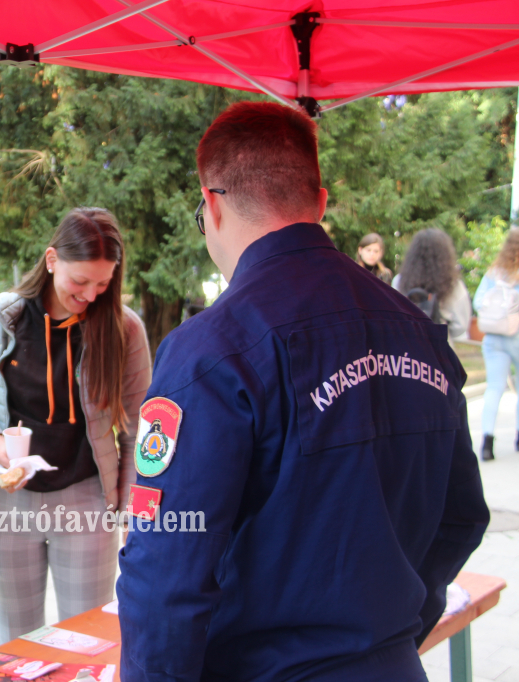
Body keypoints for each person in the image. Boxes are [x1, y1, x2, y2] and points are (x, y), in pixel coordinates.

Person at [117, 102, 488, 682]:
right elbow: (462, 517)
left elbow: (166, 568)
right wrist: (392, 633)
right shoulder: (421, 333)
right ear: (319, 201)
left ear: (211, 205)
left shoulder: (213, 349)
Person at [0, 208, 151, 644]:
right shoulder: (3, 316)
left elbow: (140, 436)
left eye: (103, 283)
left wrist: (134, 513)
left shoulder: (124, 329)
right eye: (80, 281)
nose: (92, 294)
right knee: (16, 640)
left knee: (87, 638)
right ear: (52, 259)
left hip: (86, 499)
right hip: (8, 500)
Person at [473, 229, 519, 461]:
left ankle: (487, 442)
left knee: (494, 387)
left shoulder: (494, 272)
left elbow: (478, 301)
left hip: (493, 337)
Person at [392, 228, 472, 341]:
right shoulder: (453, 286)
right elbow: (460, 326)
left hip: (406, 346)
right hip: (440, 348)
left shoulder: (399, 281)